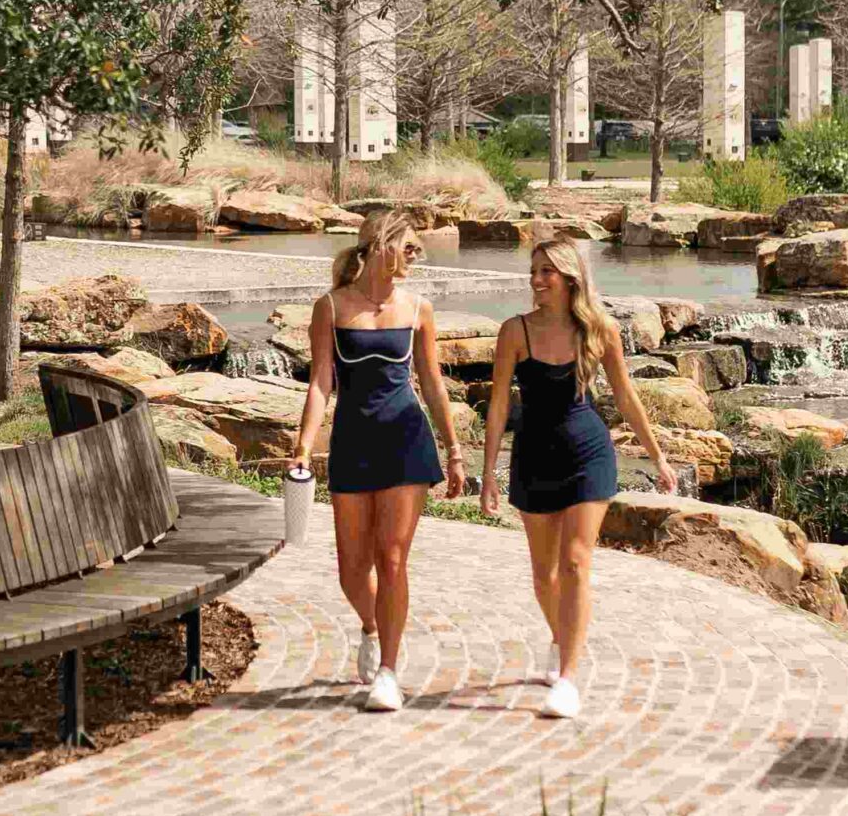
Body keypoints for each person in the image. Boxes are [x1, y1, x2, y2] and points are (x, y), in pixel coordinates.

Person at [479, 232, 678, 719]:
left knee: (574, 563)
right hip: (533, 456)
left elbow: (626, 398)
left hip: (589, 453)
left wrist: (658, 457)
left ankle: (567, 678)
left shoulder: (599, 329)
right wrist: (488, 473)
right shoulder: (514, 331)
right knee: (544, 577)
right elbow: (500, 404)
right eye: (533, 271)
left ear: (569, 278)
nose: (536, 280)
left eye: (546, 272)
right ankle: (561, 638)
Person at [288, 209, 466, 711]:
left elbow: (431, 383)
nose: (415, 257)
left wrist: (454, 450)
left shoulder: (418, 309)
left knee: (391, 558)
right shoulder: (331, 306)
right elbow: (322, 381)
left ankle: (388, 671)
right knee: (351, 569)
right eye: (408, 247)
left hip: (407, 441)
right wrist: (305, 444)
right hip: (352, 441)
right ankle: (372, 625)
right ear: (380, 244)